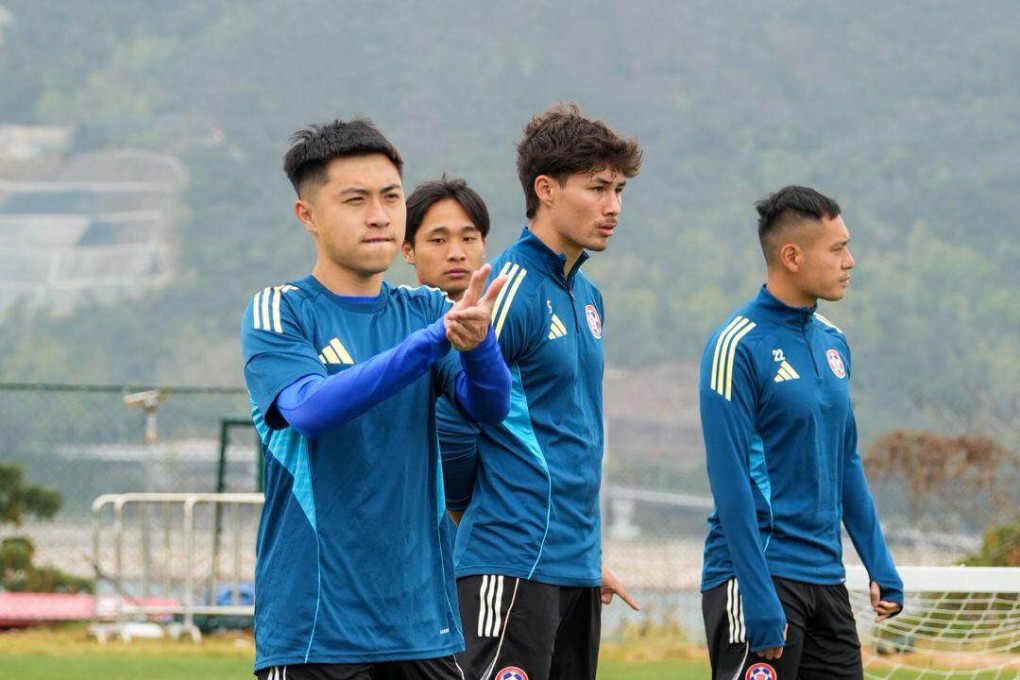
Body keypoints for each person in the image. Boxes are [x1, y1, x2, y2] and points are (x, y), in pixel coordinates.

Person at [240, 118, 511, 680]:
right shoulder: (281, 310)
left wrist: (480, 347)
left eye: (390, 197)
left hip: (421, 624)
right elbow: (311, 410)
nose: (380, 214)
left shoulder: (427, 309)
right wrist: (432, 341)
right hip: (316, 630)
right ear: (307, 216)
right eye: (355, 199)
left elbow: (490, 408)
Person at [448, 104, 643, 680]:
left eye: (620, 190)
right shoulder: (508, 288)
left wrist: (585, 552)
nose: (613, 206)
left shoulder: (588, 297)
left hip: (574, 567)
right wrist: (480, 518)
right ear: (546, 189)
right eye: (598, 188)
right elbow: (454, 418)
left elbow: (568, 433)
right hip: (510, 564)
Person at [698, 185, 903, 680]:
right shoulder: (736, 346)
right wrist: (757, 595)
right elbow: (730, 486)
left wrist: (878, 561)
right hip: (760, 576)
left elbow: (845, 459)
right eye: (837, 249)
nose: (850, 261)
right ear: (791, 256)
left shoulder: (834, 343)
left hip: (826, 581)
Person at [402, 175, 490, 524]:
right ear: (407, 249)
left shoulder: (508, 331)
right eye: (438, 240)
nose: (456, 252)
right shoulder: (396, 334)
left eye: (469, 238)